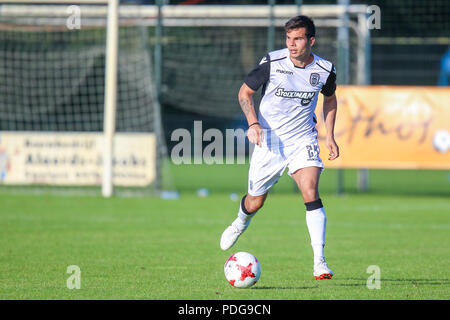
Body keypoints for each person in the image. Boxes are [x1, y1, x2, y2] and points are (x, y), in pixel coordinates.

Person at [220, 15, 340, 280]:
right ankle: (241, 221)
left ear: (311, 40)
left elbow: (330, 100)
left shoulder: (325, 69)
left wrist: (329, 136)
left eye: (298, 38)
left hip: (303, 139)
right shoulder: (272, 63)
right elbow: (244, 93)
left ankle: (319, 261)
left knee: (310, 190)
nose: (292, 44)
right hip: (269, 142)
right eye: (288, 38)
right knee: (255, 201)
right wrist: (253, 124)